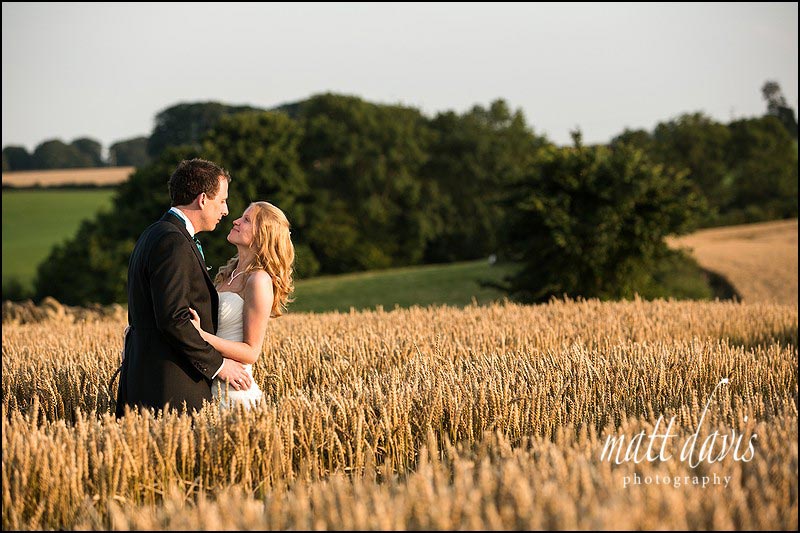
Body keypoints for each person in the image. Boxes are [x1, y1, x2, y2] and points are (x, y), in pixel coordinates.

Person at [114, 158, 253, 418]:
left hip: (148, 379)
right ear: (202, 199)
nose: (225, 211)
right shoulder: (173, 241)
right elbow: (173, 319)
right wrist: (218, 366)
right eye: (222, 200)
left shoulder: (155, 233)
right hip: (169, 387)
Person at [188, 201, 295, 409]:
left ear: (262, 235)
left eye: (246, 220)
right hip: (211, 380)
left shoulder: (258, 280)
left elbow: (251, 352)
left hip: (233, 390)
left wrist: (200, 335)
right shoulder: (228, 273)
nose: (236, 221)